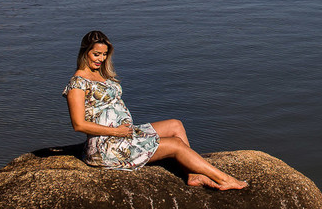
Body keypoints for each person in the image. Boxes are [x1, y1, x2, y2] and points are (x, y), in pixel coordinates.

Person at [63, 30, 248, 190]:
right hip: (108, 146)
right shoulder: (78, 83)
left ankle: (192, 174)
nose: (101, 59)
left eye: (104, 54)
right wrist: (116, 131)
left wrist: (122, 130)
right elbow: (78, 125)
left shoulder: (100, 74)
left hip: (124, 135)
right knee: (175, 145)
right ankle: (225, 179)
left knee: (175, 125)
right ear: (85, 52)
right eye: (96, 54)